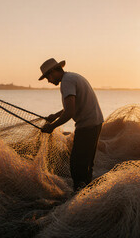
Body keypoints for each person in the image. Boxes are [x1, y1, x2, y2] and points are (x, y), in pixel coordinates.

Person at [39, 58, 104, 192]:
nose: (49, 81)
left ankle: (80, 195)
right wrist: (55, 116)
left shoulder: (66, 82)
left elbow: (70, 112)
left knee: (77, 165)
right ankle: (87, 192)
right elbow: (72, 105)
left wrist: (52, 127)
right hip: (95, 122)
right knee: (86, 164)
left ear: (53, 72)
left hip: (87, 125)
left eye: (47, 77)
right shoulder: (72, 77)